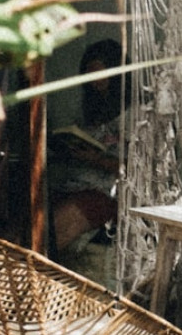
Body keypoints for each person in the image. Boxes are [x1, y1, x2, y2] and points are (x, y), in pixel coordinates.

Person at [49, 38, 128, 251]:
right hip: (76, 184)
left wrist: (97, 159)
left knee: (57, 224)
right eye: (90, 77)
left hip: (108, 193)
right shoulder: (92, 109)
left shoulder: (135, 114)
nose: (95, 84)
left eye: (100, 76)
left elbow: (138, 169)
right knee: (35, 212)